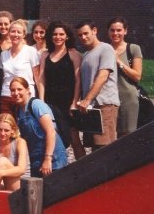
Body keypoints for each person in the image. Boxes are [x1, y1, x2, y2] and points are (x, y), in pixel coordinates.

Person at [37, 21, 85, 159]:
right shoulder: (45, 55)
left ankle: (83, 168)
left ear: (67, 36)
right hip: (50, 102)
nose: (58, 37)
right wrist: (41, 101)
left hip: (68, 102)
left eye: (61, 34)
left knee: (74, 138)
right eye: (55, 34)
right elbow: (41, 80)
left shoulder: (73, 54)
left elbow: (78, 81)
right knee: (52, 138)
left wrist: (74, 102)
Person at [75, 20, 120, 149]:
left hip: (104, 104)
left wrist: (87, 99)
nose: (83, 37)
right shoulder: (87, 54)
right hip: (90, 108)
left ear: (94, 31)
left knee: (104, 147)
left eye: (86, 33)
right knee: (94, 148)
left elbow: (103, 76)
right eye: (80, 35)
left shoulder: (106, 48)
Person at [11, 76, 68, 177]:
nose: (16, 93)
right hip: (36, 159)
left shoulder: (36, 105)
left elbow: (51, 131)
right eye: (12, 90)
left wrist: (48, 159)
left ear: (28, 90)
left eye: (19, 89)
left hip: (53, 157)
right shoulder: (18, 111)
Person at [108, 17, 143, 137]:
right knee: (110, 137)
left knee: (127, 137)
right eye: (112, 30)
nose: (115, 33)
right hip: (109, 100)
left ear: (125, 31)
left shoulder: (133, 48)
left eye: (119, 30)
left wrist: (118, 61)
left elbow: (137, 76)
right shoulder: (105, 49)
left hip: (128, 98)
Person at [0, 19, 40, 116]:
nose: (15, 34)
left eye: (19, 32)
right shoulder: (3, 54)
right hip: (6, 96)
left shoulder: (31, 51)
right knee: (7, 127)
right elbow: (2, 77)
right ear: (9, 33)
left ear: (24, 35)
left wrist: (40, 98)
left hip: (25, 96)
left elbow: (38, 78)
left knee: (25, 127)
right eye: (13, 31)